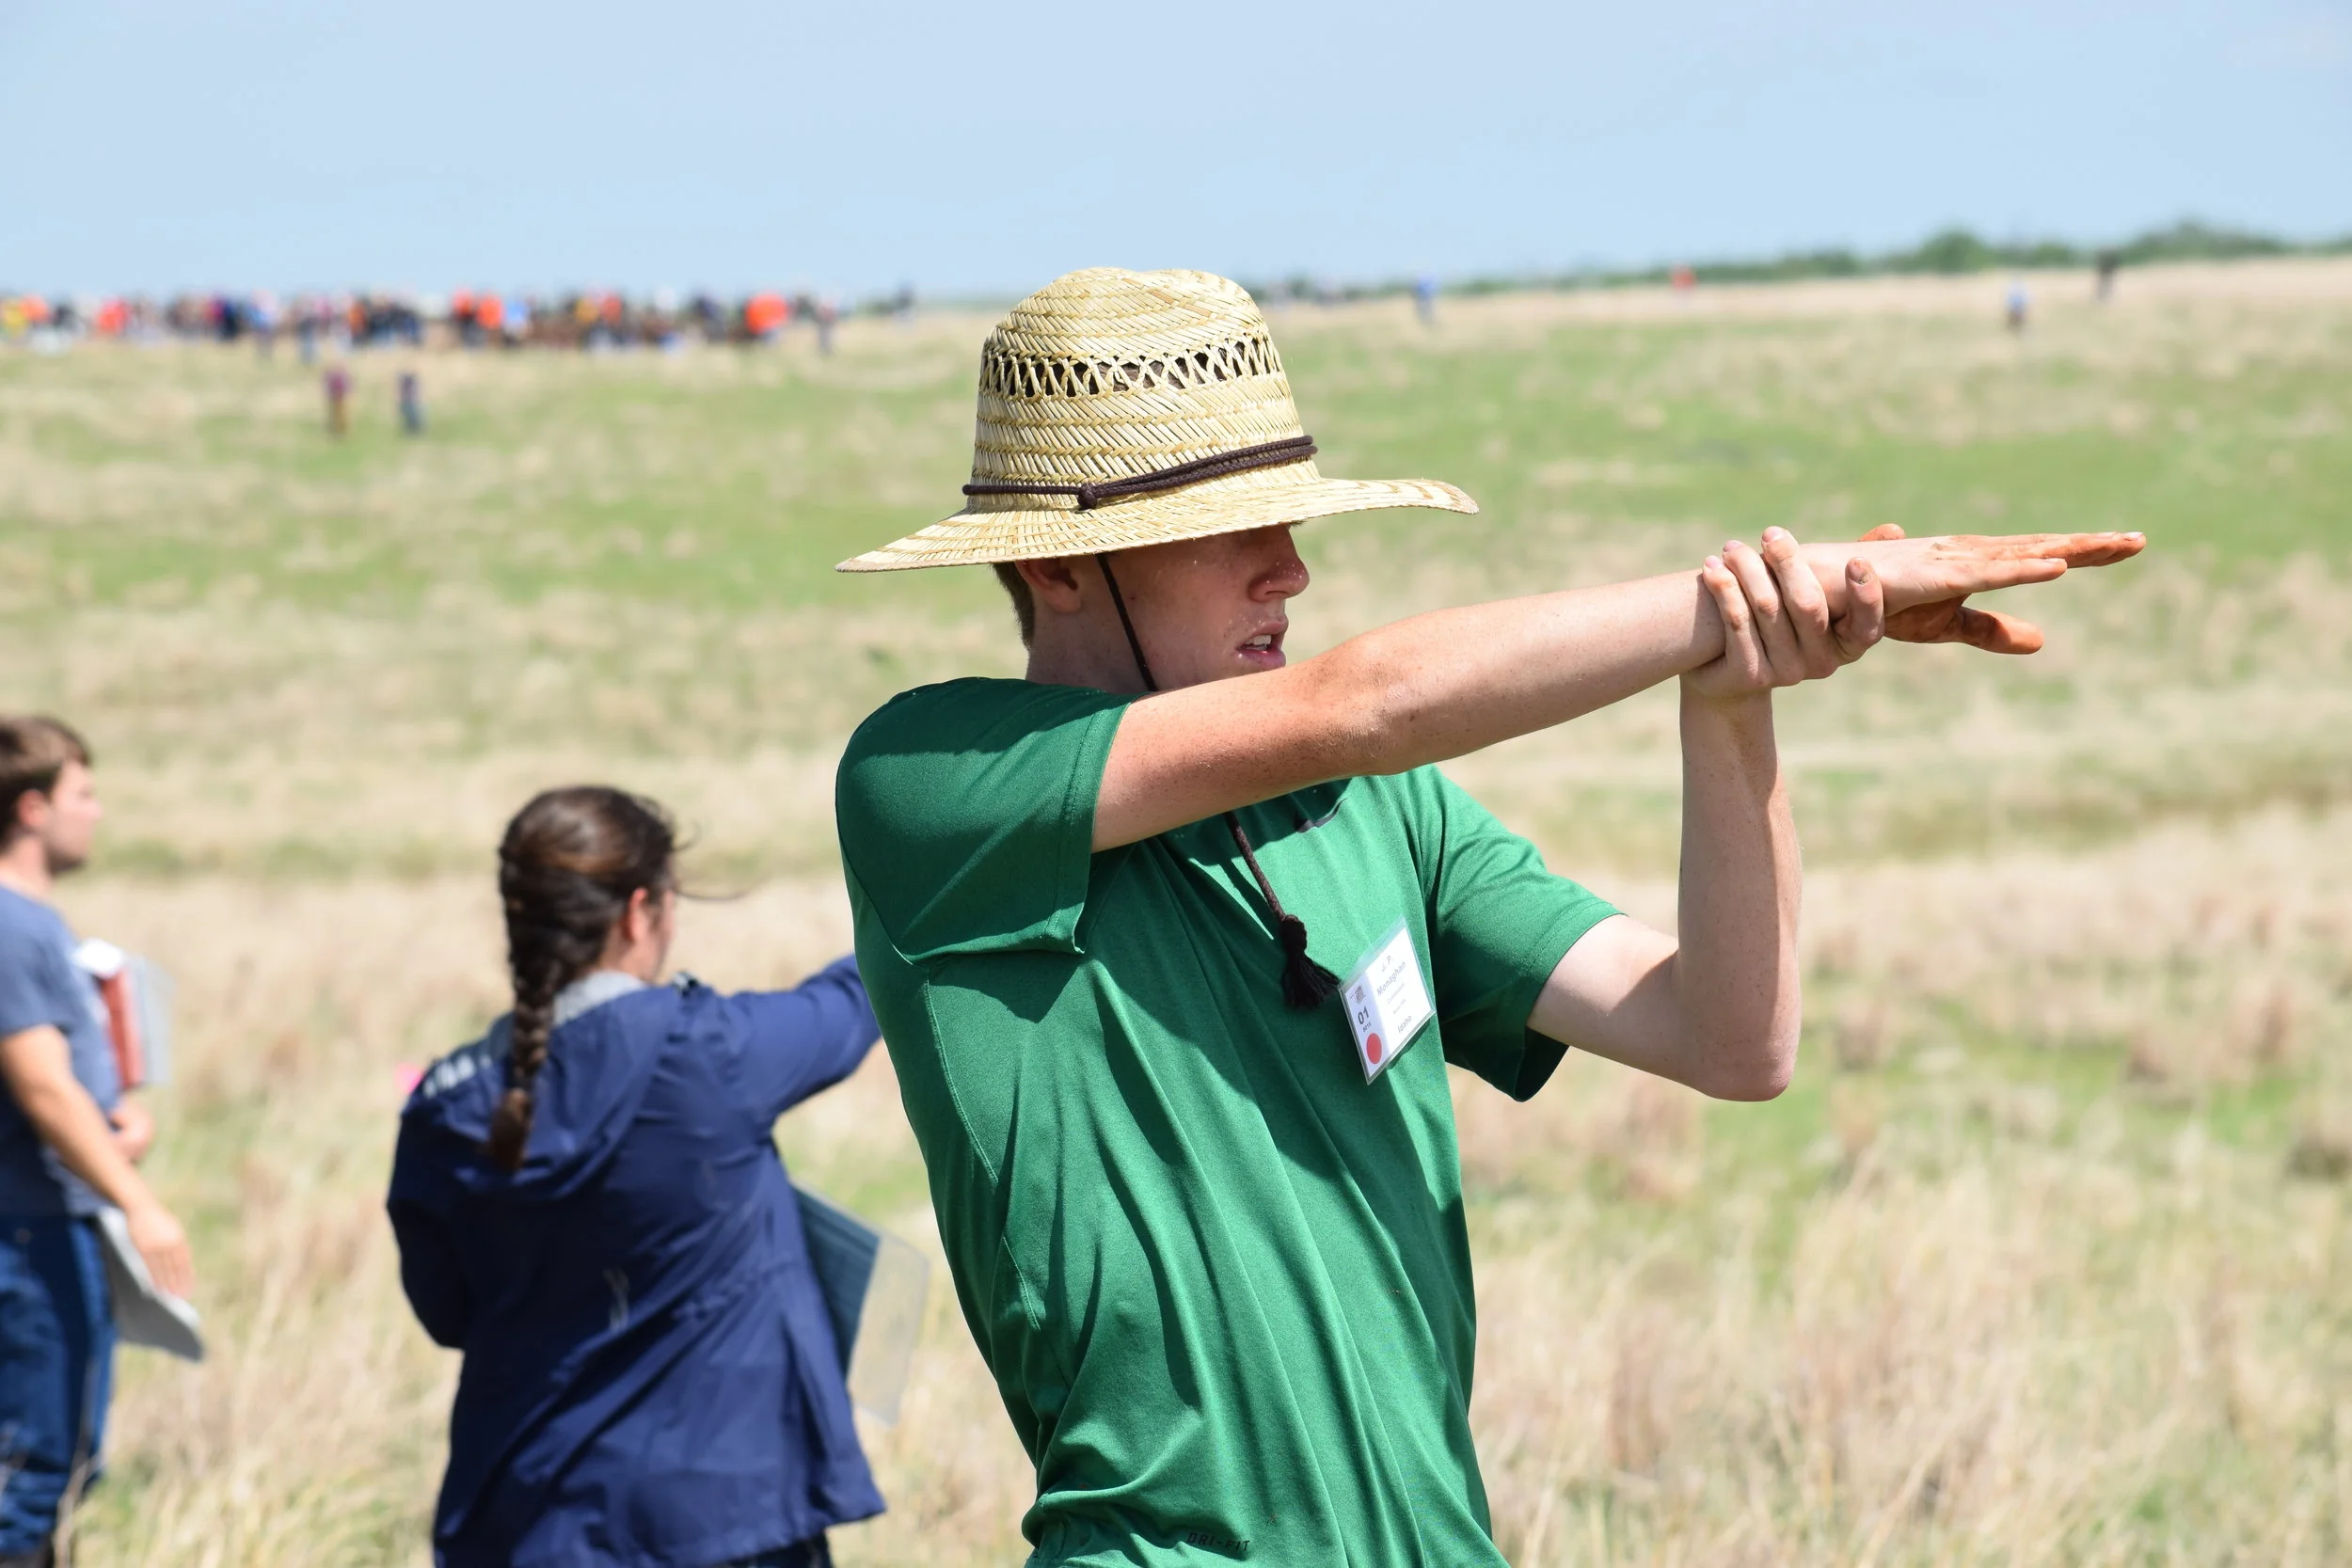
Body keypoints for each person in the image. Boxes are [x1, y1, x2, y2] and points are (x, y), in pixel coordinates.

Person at [830, 268, 2145, 1565]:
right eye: (1229, 532)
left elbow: (1734, 1041)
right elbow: (1366, 701)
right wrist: (1729, 597)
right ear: (1059, 563)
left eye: (1287, 521)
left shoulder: (1380, 807)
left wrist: (1732, 691)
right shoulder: (930, 780)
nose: (1290, 569)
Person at [387, 787, 885, 1568]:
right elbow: (852, 1004)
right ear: (638, 912)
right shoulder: (709, 1052)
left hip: (527, 1524)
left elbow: (449, 1313)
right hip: (725, 1519)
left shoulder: (443, 1111)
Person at [0, 718, 191, 1568]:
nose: (97, 811)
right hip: (27, 1231)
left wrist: (115, 1121)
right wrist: (140, 1203)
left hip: (44, 1218)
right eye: (84, 793)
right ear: (32, 807)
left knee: (57, 1463)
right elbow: (42, 1084)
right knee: (33, 1470)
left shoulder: (33, 923)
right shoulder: (11, 927)